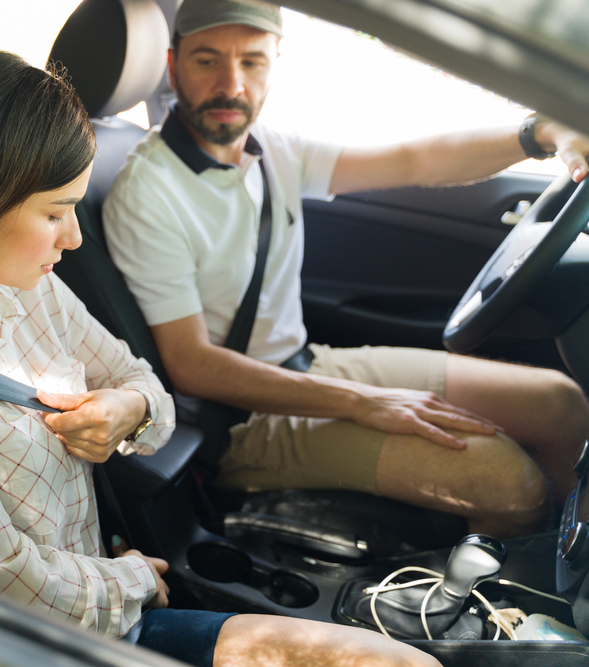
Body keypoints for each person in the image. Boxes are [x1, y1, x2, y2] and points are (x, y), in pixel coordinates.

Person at [0, 50, 441, 667]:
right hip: (30, 642)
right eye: (56, 213)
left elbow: (147, 391)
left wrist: (126, 411)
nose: (73, 237)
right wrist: (130, 578)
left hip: (106, 616)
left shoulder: (30, 290)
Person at [103, 0, 589, 539]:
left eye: (253, 62)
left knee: (559, 403)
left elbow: (415, 161)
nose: (231, 84)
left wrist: (538, 134)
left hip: (309, 365)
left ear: (275, 65)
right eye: (207, 61)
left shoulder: (273, 150)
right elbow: (192, 365)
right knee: (506, 482)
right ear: (172, 67)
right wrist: (366, 403)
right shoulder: (147, 191)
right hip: (239, 421)